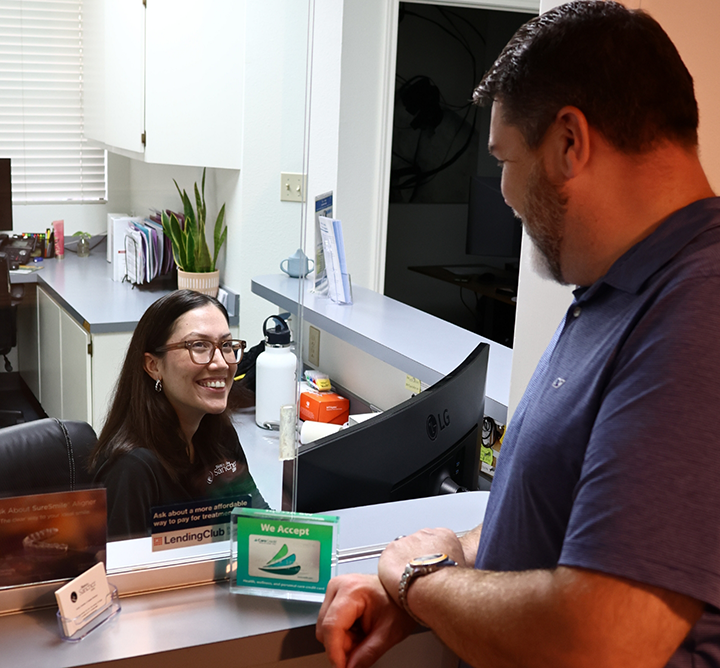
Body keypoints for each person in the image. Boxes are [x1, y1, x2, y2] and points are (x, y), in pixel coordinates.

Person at [316, 2, 720, 667]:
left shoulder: (697, 313)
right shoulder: (615, 292)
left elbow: (598, 641)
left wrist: (423, 586)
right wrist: (456, 555)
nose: (503, 191)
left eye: (505, 158)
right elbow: (552, 521)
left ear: (569, 143)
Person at [90, 289, 269, 540]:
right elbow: (123, 578)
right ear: (154, 366)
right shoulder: (132, 469)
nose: (220, 363)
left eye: (226, 345)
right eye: (199, 345)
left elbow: (256, 525)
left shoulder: (217, 431)